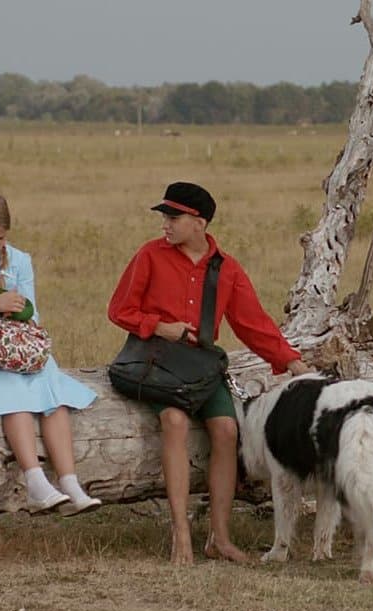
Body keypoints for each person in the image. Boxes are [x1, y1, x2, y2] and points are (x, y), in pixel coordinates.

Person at [108, 181, 311, 565]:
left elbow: (253, 323)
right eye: (165, 216)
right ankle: (181, 534)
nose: (165, 224)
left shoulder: (226, 268)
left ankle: (220, 539)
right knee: (174, 422)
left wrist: (291, 361)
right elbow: (119, 310)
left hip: (201, 366)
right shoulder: (149, 255)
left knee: (227, 430)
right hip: (157, 361)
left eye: (174, 217)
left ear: (199, 223)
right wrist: (160, 326)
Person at [0, 194, 102, 515]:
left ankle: (70, 482)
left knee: (52, 394)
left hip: (19, 342)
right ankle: (35, 480)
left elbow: (33, 313)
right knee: (13, 393)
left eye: (0, 238)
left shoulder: (20, 260)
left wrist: (18, 310)